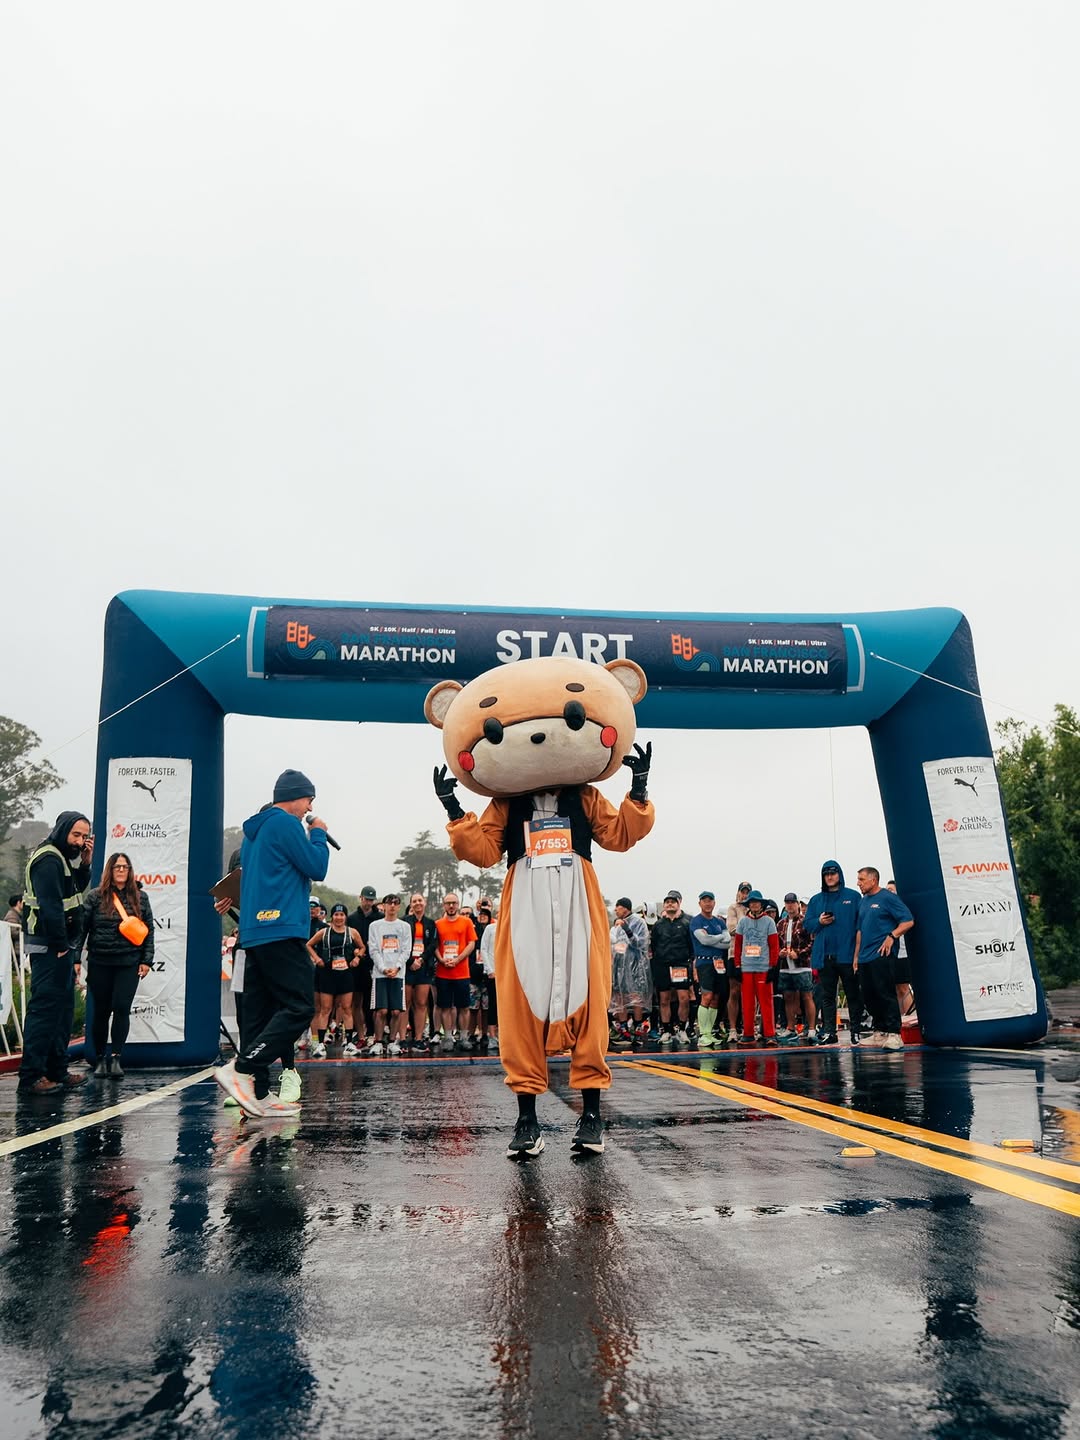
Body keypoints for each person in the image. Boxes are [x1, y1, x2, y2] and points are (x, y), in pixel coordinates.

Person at [215, 770, 329, 1117]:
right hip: (280, 929)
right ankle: (243, 1068)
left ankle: (260, 1094)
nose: (310, 806)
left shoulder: (253, 834)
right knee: (299, 1008)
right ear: (295, 796)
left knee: (260, 1016)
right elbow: (316, 866)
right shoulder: (285, 824)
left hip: (254, 934)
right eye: (309, 798)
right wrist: (319, 833)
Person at [19, 811, 94, 1094]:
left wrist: (85, 864)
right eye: (76, 835)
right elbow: (51, 907)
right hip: (50, 945)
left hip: (61, 945)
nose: (80, 841)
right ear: (62, 831)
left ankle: (57, 1070)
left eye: (85, 836)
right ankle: (31, 1077)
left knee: (63, 1011)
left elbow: (73, 889)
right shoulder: (48, 859)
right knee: (45, 1010)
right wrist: (63, 946)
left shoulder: (62, 859)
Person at [79, 852, 154, 1078]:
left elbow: (149, 930)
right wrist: (75, 959)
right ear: (109, 871)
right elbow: (82, 929)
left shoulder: (141, 898)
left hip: (128, 962)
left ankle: (116, 1058)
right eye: (117, 867)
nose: (121, 871)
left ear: (130, 871)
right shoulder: (94, 897)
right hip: (100, 961)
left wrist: (146, 960)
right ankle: (100, 1058)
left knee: (122, 1009)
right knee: (101, 1012)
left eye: (125, 867)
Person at [803, 861, 863, 1046]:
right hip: (825, 955)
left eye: (833, 873)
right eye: (826, 874)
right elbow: (808, 925)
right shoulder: (816, 900)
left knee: (853, 995)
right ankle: (830, 1032)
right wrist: (820, 921)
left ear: (840, 874)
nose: (829, 876)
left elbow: (861, 924)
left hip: (847, 954)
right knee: (827, 996)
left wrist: (857, 955)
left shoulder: (853, 896)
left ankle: (856, 1031)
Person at [854, 867, 914, 1050]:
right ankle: (880, 1032)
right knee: (869, 995)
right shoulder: (863, 902)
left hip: (882, 955)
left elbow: (908, 921)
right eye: (858, 879)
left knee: (885, 993)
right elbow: (860, 931)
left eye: (862, 879)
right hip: (864, 957)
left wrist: (892, 936)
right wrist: (855, 956)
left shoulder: (888, 898)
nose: (858, 883)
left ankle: (895, 1034)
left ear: (873, 880)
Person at [307, 903, 363, 1057]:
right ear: (332, 917)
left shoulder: (352, 932)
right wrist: (317, 958)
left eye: (342, 915)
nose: (339, 918)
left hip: (345, 973)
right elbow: (309, 944)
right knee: (325, 1009)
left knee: (346, 1008)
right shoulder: (324, 932)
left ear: (345, 917)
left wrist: (357, 957)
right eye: (336, 915)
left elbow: (363, 947)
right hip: (327, 974)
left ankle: (350, 1043)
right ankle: (320, 1044)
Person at [364, 894, 411, 1055]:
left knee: (396, 1011)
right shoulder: (375, 926)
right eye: (389, 903)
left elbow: (406, 949)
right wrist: (383, 968)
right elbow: (374, 949)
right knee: (381, 1010)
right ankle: (377, 1041)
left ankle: (392, 1041)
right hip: (380, 973)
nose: (392, 906)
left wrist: (396, 967)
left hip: (398, 973)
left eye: (395, 903)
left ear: (399, 907)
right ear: (383, 906)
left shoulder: (404, 926)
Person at [733, 890, 779, 1047]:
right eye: (751, 902)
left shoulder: (769, 922)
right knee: (747, 1002)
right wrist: (737, 965)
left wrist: (773, 966)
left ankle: (770, 1034)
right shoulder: (743, 922)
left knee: (766, 1002)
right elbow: (738, 945)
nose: (754, 905)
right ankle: (748, 1033)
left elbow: (774, 946)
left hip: (763, 967)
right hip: (746, 967)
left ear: (761, 904)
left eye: (757, 902)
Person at [433, 892, 477, 1052]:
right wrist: (441, 959)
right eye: (448, 903)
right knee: (445, 1007)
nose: (451, 906)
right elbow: (435, 946)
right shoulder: (438, 924)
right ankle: (448, 1037)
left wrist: (458, 959)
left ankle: (464, 1037)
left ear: (458, 904)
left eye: (454, 903)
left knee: (464, 1007)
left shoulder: (466, 922)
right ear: (444, 905)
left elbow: (471, 944)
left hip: (462, 972)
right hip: (443, 972)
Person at [650, 890, 695, 1045]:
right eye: (667, 901)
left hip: (680, 964)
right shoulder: (658, 925)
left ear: (679, 903)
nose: (670, 904)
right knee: (664, 999)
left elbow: (691, 946)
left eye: (673, 901)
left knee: (684, 998)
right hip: (662, 965)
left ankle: (682, 1029)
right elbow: (654, 945)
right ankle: (666, 1030)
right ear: (664, 905)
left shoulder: (686, 923)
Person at [690, 891, 730, 1048]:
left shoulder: (720, 922)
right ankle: (703, 1034)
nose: (707, 903)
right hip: (704, 963)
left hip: (719, 963)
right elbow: (703, 939)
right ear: (699, 903)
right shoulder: (696, 921)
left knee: (716, 998)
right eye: (704, 900)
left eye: (710, 900)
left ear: (714, 903)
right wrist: (718, 937)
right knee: (706, 996)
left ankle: (710, 1032)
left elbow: (727, 942)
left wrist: (714, 939)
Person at [776, 891, 815, 1042]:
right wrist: (779, 953)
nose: (790, 906)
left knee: (807, 996)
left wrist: (798, 954)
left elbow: (812, 943)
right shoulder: (781, 923)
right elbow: (776, 944)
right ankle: (790, 1028)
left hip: (802, 966)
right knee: (788, 997)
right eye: (787, 903)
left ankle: (811, 1028)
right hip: (785, 966)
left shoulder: (806, 921)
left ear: (797, 904)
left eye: (792, 903)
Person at [405, 892, 439, 1052]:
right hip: (407, 967)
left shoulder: (431, 923)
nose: (417, 903)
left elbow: (433, 944)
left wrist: (421, 960)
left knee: (421, 1004)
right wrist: (411, 961)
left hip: (424, 968)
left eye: (420, 900)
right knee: (405, 1004)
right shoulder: (405, 922)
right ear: (411, 904)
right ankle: (403, 1038)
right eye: (414, 901)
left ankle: (418, 1038)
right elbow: (402, 944)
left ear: (424, 903)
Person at [724, 882, 752, 1039]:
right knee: (734, 991)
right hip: (735, 954)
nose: (745, 895)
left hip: (753, 955)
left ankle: (749, 1027)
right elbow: (732, 929)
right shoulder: (733, 908)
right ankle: (733, 1029)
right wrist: (753, 929)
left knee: (750, 992)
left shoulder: (755, 908)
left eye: (748, 892)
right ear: (738, 892)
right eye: (743, 891)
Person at [887, 880, 917, 1025]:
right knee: (896, 988)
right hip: (891, 953)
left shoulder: (901, 907)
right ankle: (900, 1019)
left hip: (903, 953)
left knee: (904, 987)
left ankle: (909, 1018)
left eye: (891, 889)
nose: (888, 892)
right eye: (887, 889)